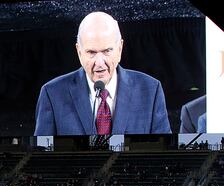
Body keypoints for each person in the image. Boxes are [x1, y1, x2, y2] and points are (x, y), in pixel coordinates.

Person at [34, 11, 170, 136]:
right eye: (91, 52)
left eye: (107, 51)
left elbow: (164, 149)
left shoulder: (151, 91)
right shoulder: (52, 94)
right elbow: (41, 150)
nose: (99, 62)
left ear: (120, 49)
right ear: (79, 52)